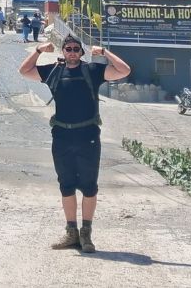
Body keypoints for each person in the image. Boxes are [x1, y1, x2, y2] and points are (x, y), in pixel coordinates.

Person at [19, 35, 132, 253]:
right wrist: (39, 50)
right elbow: (24, 71)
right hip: (61, 136)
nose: (72, 52)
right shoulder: (54, 71)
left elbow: (124, 70)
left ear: (81, 52)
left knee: (89, 188)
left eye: (76, 49)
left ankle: (86, 235)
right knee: (66, 186)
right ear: (63, 52)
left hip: (88, 136)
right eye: (68, 49)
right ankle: (71, 234)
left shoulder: (93, 70)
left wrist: (105, 53)